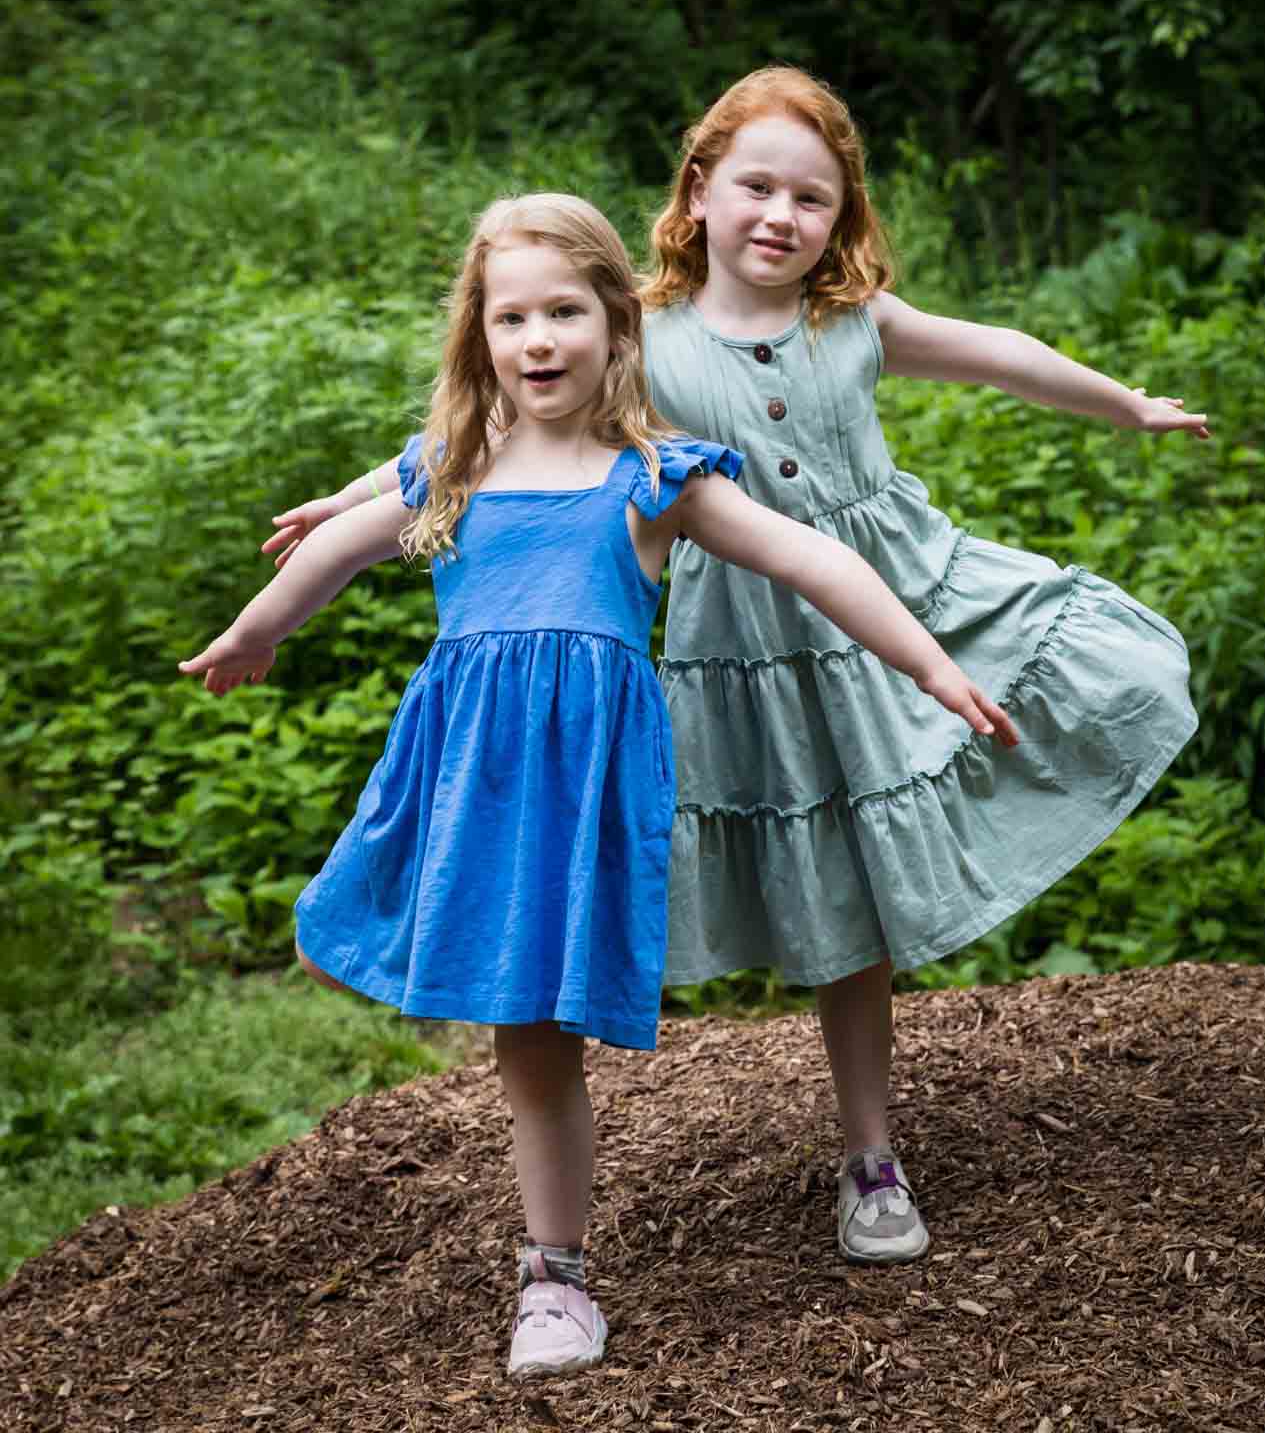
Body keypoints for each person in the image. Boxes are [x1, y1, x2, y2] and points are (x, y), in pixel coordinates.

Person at [263, 70, 1207, 1275]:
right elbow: (470, 437)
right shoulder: (632, 338)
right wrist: (346, 503)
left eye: (812, 196)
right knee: (819, 879)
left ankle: (872, 1157)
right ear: (697, 190)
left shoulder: (852, 318)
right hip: (742, 649)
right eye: (756, 184)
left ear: (841, 215)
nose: (781, 214)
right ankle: (762, 1144)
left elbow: (999, 354)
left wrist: (1122, 404)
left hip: (893, 592)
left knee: (908, 849)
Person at [182, 192, 1018, 1380]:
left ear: (615, 323)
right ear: (478, 334)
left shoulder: (656, 477)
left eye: (564, 310)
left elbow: (814, 559)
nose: (538, 339)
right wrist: (254, 631)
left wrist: (932, 663)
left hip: (586, 802)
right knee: (523, 1038)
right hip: (473, 781)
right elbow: (336, 545)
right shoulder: (451, 468)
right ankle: (553, 1274)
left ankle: (557, 1262)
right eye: (510, 314)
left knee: (552, 1022)